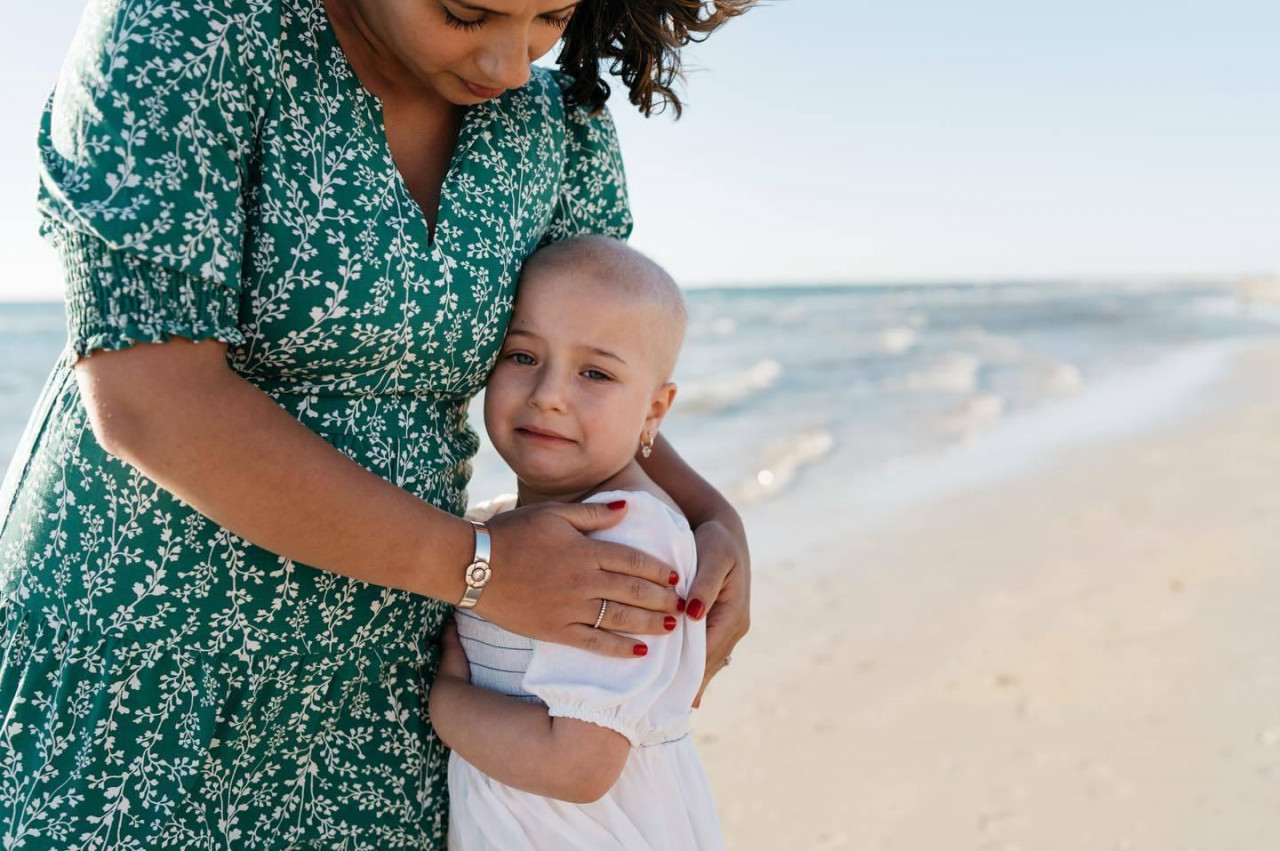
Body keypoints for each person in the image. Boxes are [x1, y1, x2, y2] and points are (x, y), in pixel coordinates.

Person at [0, 0, 752, 846]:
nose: (510, 66)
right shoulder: (186, 31)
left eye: (550, 15)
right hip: (150, 669)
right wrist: (480, 568)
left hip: (389, 695)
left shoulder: (556, 129)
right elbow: (149, 398)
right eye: (468, 13)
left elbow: (595, 367)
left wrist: (711, 518)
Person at [434, 235, 721, 850]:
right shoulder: (509, 526)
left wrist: (443, 702)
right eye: (521, 356)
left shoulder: (629, 538)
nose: (549, 394)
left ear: (654, 411)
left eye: (595, 372)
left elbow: (577, 766)